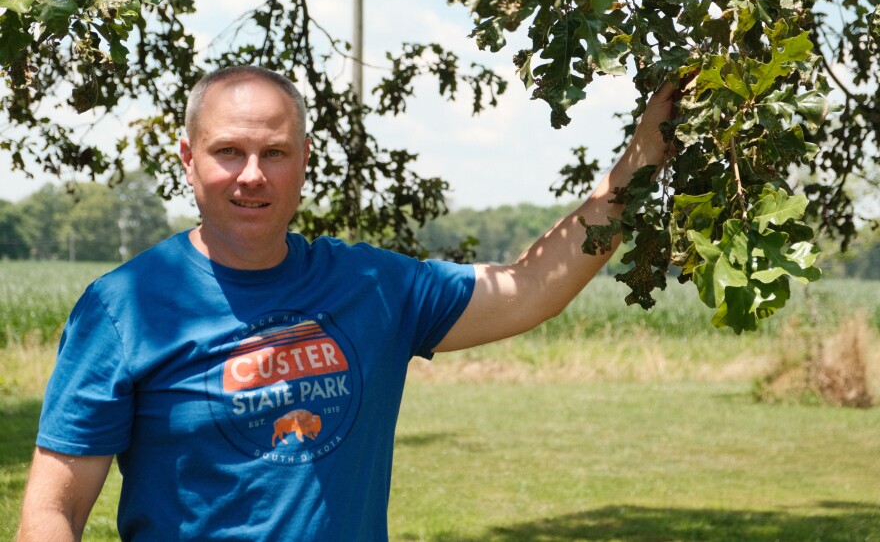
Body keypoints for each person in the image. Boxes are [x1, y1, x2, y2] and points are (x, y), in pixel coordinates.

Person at [17, 65, 677, 541]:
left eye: (275, 152)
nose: (252, 174)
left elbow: (533, 286)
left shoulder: (374, 287)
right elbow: (54, 510)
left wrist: (645, 153)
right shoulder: (124, 307)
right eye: (228, 152)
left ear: (305, 159)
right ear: (189, 160)